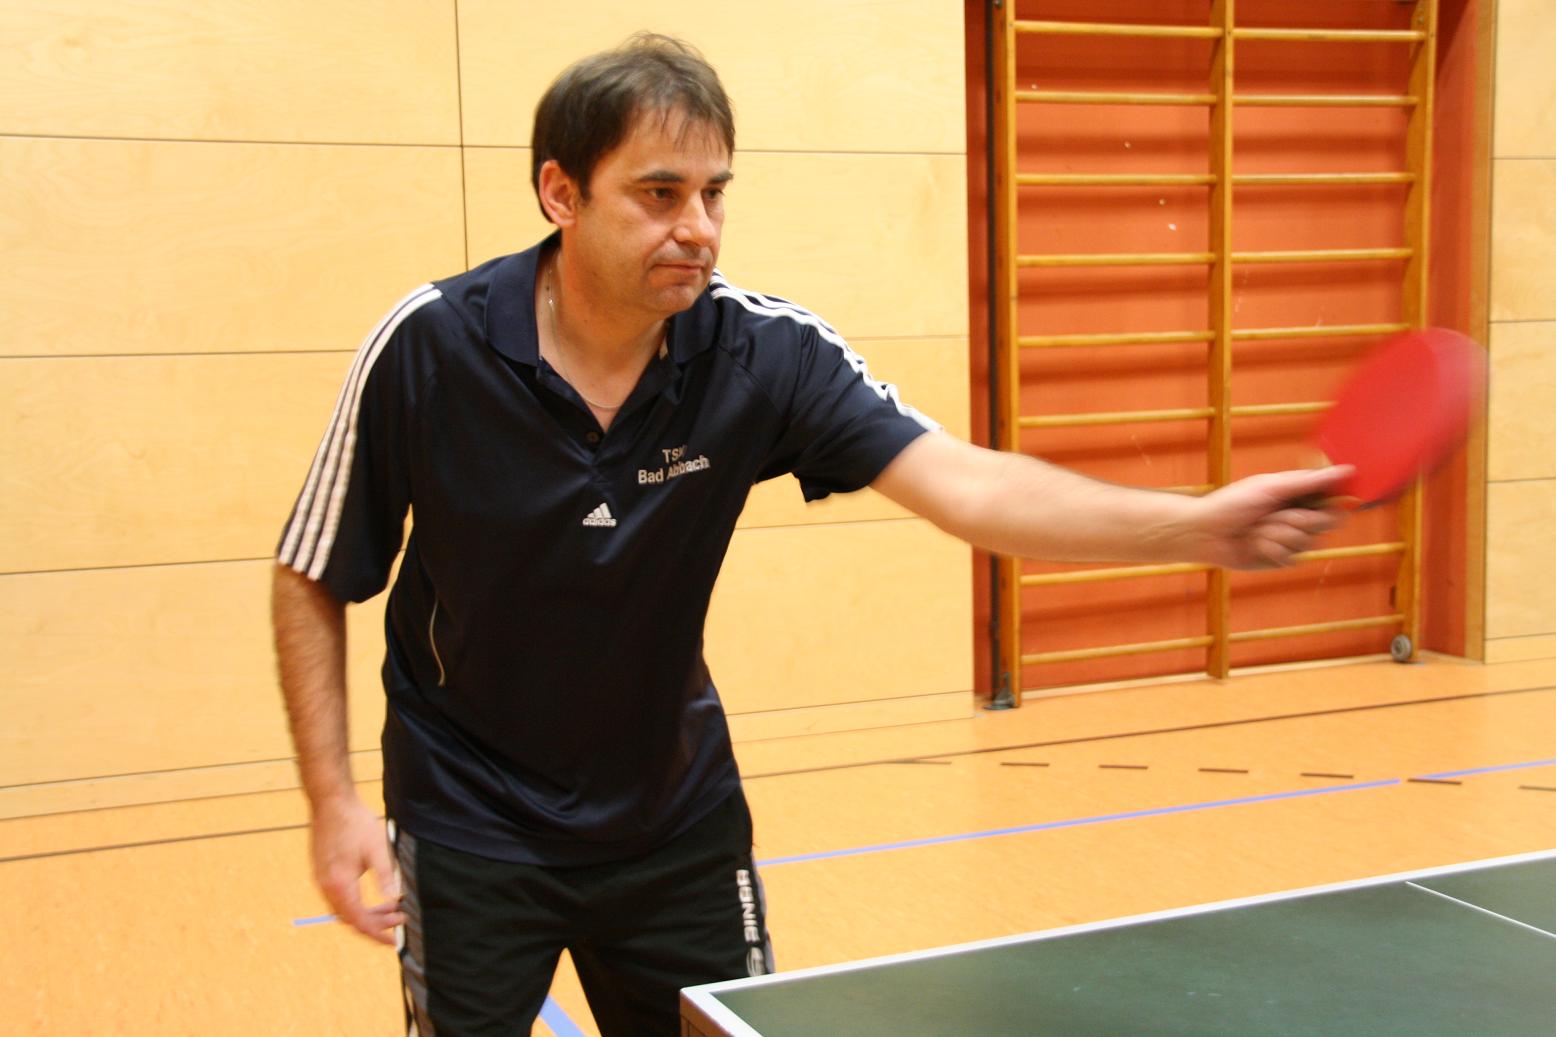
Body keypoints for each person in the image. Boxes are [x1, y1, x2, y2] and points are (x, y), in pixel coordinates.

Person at [271, 33, 1347, 1037]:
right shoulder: (430, 349)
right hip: (470, 819)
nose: (698, 227)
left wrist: (1196, 526)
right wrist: (332, 801)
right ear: (561, 193)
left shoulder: (762, 354)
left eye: (714, 193)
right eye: (658, 193)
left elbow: (967, 485)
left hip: (672, 818)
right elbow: (310, 572)